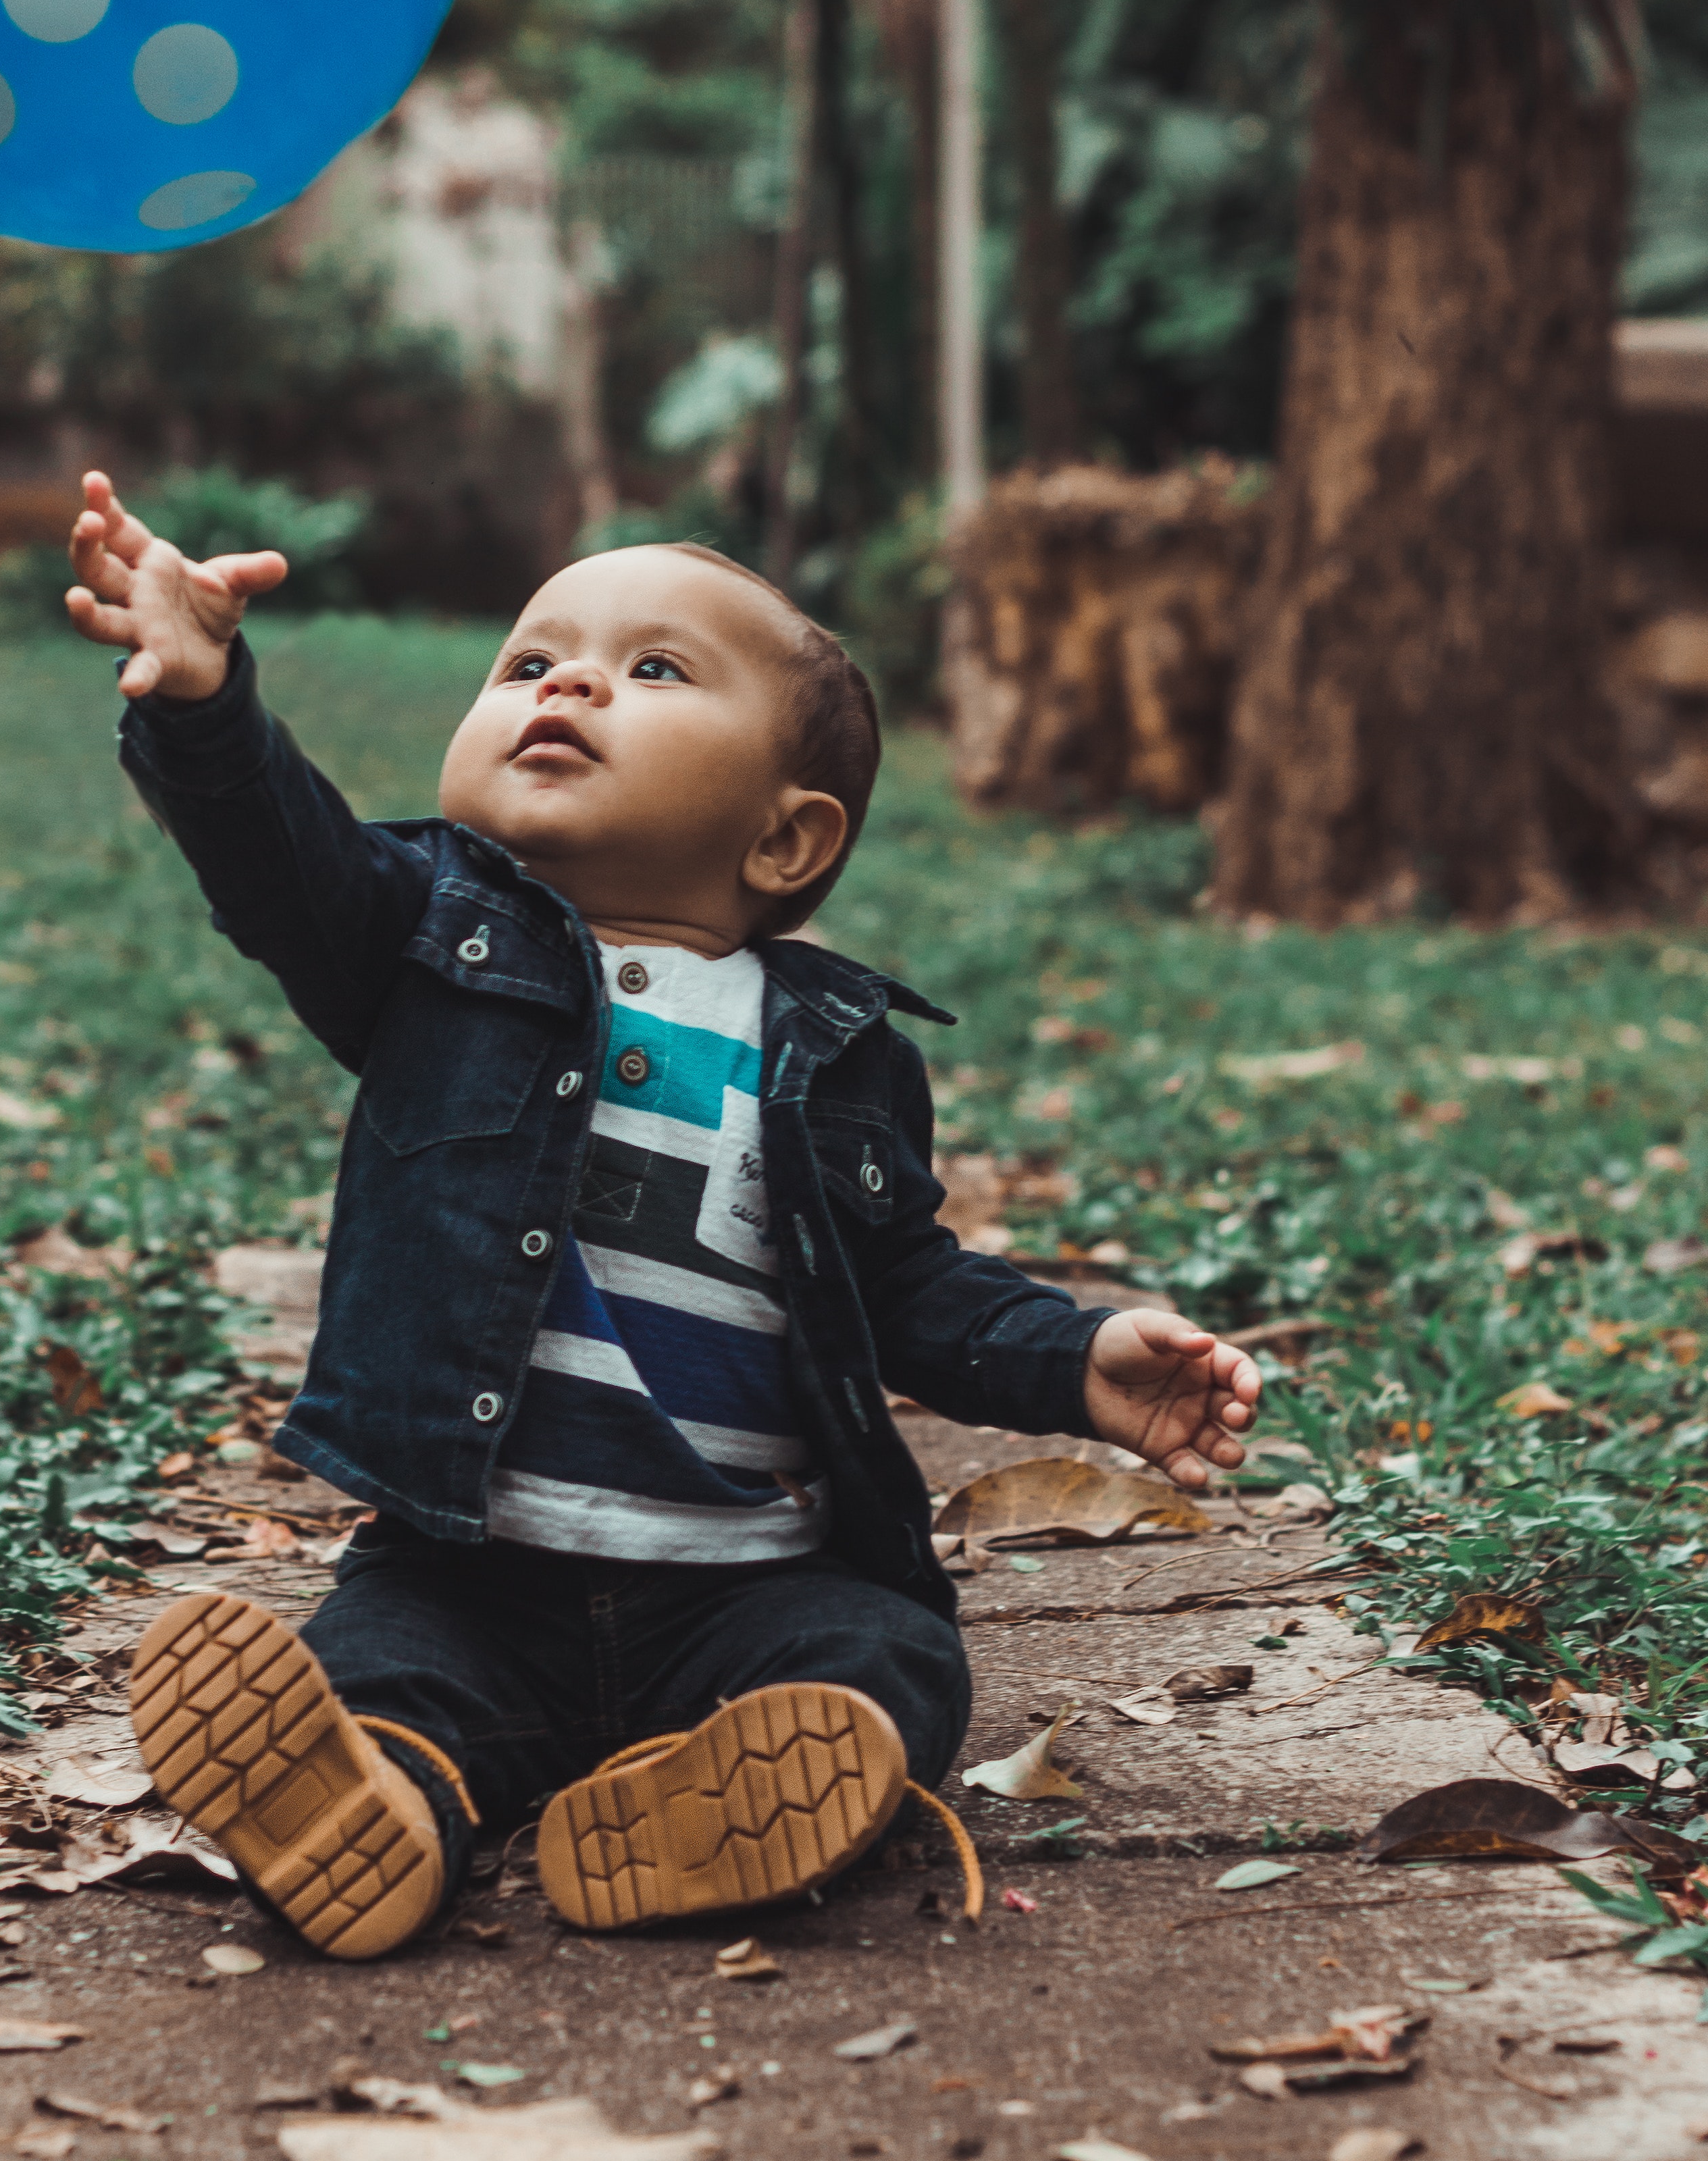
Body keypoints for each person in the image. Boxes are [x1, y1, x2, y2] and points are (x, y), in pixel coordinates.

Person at [66, 473, 1260, 1959]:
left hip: (754, 1585)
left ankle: (700, 1808)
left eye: (654, 670)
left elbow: (906, 1281)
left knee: (891, 1664)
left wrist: (1073, 1362)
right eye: (526, 661)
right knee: (376, 1676)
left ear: (782, 841)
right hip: (468, 1569)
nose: (565, 679)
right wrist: (201, 696)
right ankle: (373, 1807)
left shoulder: (835, 1046)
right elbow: (275, 855)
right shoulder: (427, 947)